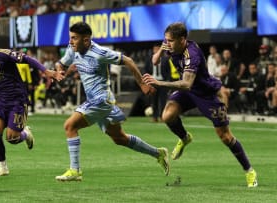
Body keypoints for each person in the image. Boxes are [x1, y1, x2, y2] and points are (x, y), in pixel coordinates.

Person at [142, 22, 257, 187]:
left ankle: (250, 171)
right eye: (166, 40)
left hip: (205, 93)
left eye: (171, 40)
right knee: (167, 115)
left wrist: (159, 83)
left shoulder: (192, 55)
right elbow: (154, 61)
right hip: (188, 92)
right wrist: (161, 49)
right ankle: (184, 137)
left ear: (182, 39)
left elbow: (187, 84)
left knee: (225, 136)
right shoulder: (171, 45)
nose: (168, 43)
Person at [54, 22, 169, 181]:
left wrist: (142, 83)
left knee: (69, 126)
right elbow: (61, 63)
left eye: (74, 38)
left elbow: (128, 60)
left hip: (101, 100)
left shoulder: (100, 53)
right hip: (97, 101)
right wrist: (60, 70)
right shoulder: (72, 50)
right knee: (120, 138)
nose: (71, 41)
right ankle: (158, 153)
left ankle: (75, 170)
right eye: (70, 38)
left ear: (86, 40)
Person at [0, 27, 64, 176]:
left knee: (12, 138)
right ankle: (3, 168)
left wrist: (45, 71)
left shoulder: (3, 54)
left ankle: (25, 134)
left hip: (17, 100)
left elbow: (27, 59)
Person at [144, 44, 171, 122]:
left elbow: (168, 72)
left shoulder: (165, 59)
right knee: (154, 101)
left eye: (158, 49)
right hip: (153, 83)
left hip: (162, 82)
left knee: (163, 101)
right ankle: (154, 117)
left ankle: (162, 116)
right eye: (155, 49)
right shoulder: (149, 59)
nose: (156, 50)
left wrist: (167, 81)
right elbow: (146, 70)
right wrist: (147, 81)